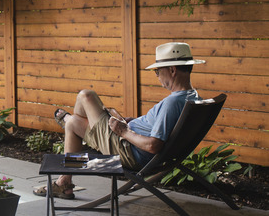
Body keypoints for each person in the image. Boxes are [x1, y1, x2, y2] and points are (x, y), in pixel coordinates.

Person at [33, 42, 205, 199]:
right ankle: (66, 175)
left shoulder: (173, 102)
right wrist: (132, 123)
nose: (157, 76)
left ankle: (77, 143)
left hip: (128, 151)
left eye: (157, 71)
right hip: (131, 142)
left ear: (173, 70)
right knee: (73, 125)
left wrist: (124, 131)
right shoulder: (193, 97)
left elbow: (154, 145)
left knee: (86, 96)